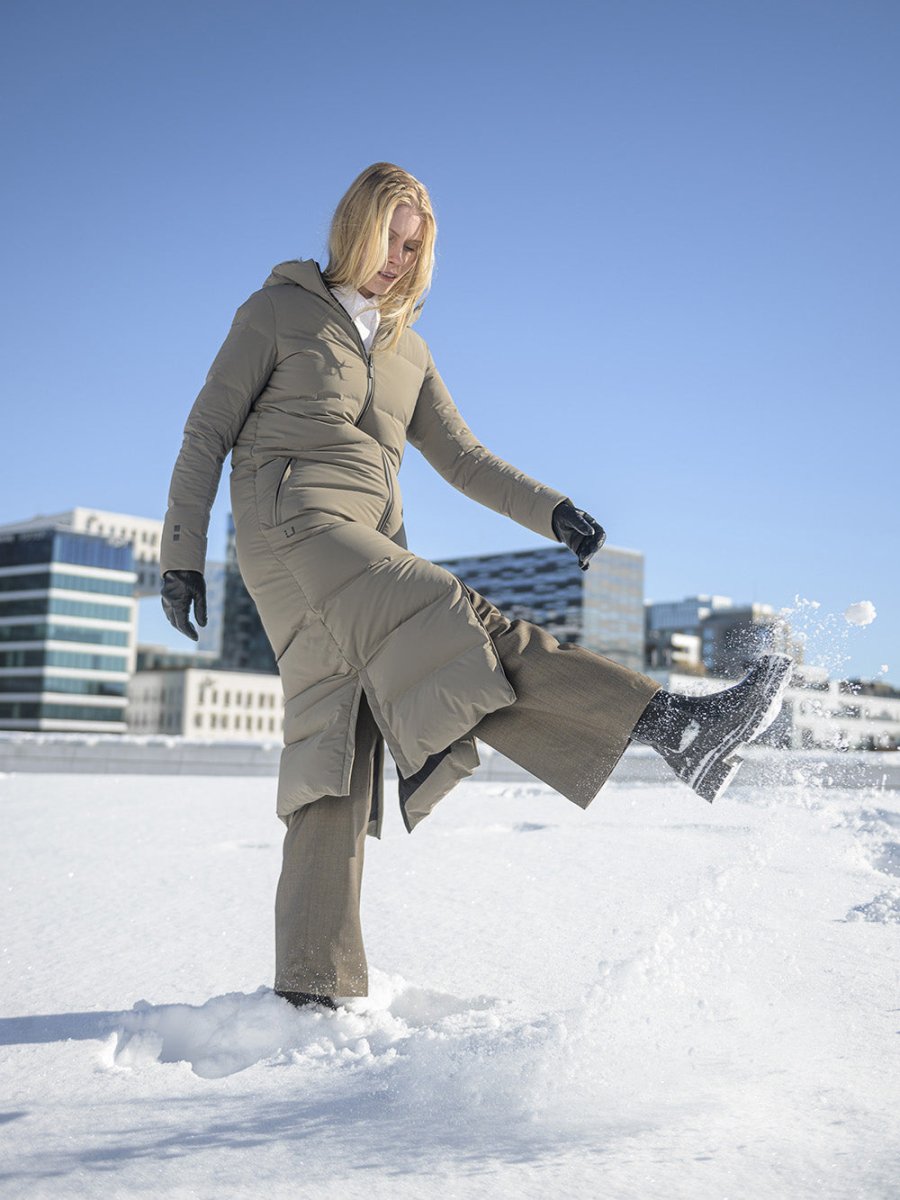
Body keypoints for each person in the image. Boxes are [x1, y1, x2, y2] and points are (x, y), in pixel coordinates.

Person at [160, 162, 792, 1010]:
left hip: (366, 545)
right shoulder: (276, 311)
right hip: (293, 528)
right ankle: (671, 724)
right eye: (390, 238)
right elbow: (206, 431)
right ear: (355, 226)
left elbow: (462, 457)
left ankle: (310, 988)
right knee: (449, 614)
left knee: (334, 746)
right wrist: (181, 555)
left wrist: (553, 509)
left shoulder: (407, 349)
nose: (398, 259)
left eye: (414, 248)